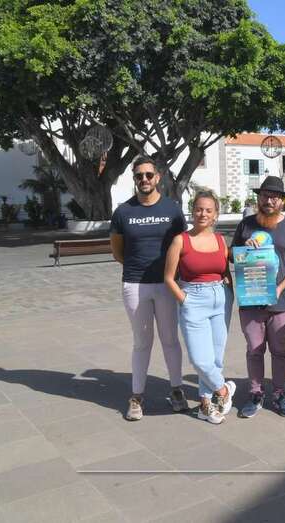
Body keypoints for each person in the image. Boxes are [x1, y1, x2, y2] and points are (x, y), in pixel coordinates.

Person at [110, 155, 188, 421]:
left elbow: (182, 245)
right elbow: (118, 251)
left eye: (148, 175)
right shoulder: (123, 212)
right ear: (134, 179)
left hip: (167, 284)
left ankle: (177, 390)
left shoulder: (172, 209)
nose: (143, 179)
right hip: (135, 284)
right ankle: (137, 396)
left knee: (170, 340)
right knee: (142, 343)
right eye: (138, 176)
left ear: (158, 177)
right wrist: (137, 267)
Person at [231, 176, 285, 418]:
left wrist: (280, 287)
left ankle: (279, 393)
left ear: (282, 201)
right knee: (254, 349)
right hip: (251, 299)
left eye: (274, 196)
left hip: (281, 300)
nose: (269, 200)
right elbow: (233, 257)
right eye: (264, 195)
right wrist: (245, 249)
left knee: (279, 350)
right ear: (258, 198)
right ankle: (255, 393)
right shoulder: (245, 225)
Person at [164, 190, 235, 424]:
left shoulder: (220, 240)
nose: (202, 213)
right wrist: (184, 299)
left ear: (215, 215)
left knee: (215, 358)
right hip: (192, 299)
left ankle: (205, 405)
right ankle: (223, 390)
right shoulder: (180, 240)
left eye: (208, 210)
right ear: (192, 211)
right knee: (200, 359)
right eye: (198, 209)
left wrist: (231, 294)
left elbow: (225, 271)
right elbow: (168, 278)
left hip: (220, 298)